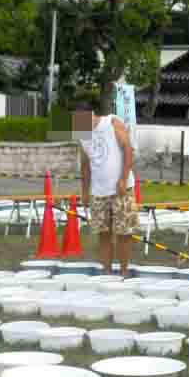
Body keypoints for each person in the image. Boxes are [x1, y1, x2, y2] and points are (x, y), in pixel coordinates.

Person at [75, 97, 137, 277]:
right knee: (103, 233)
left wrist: (123, 179)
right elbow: (85, 165)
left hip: (121, 189)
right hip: (98, 192)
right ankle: (107, 271)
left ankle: (124, 271)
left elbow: (129, 150)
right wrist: (85, 192)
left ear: (91, 114)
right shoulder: (82, 134)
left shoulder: (112, 122)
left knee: (124, 232)